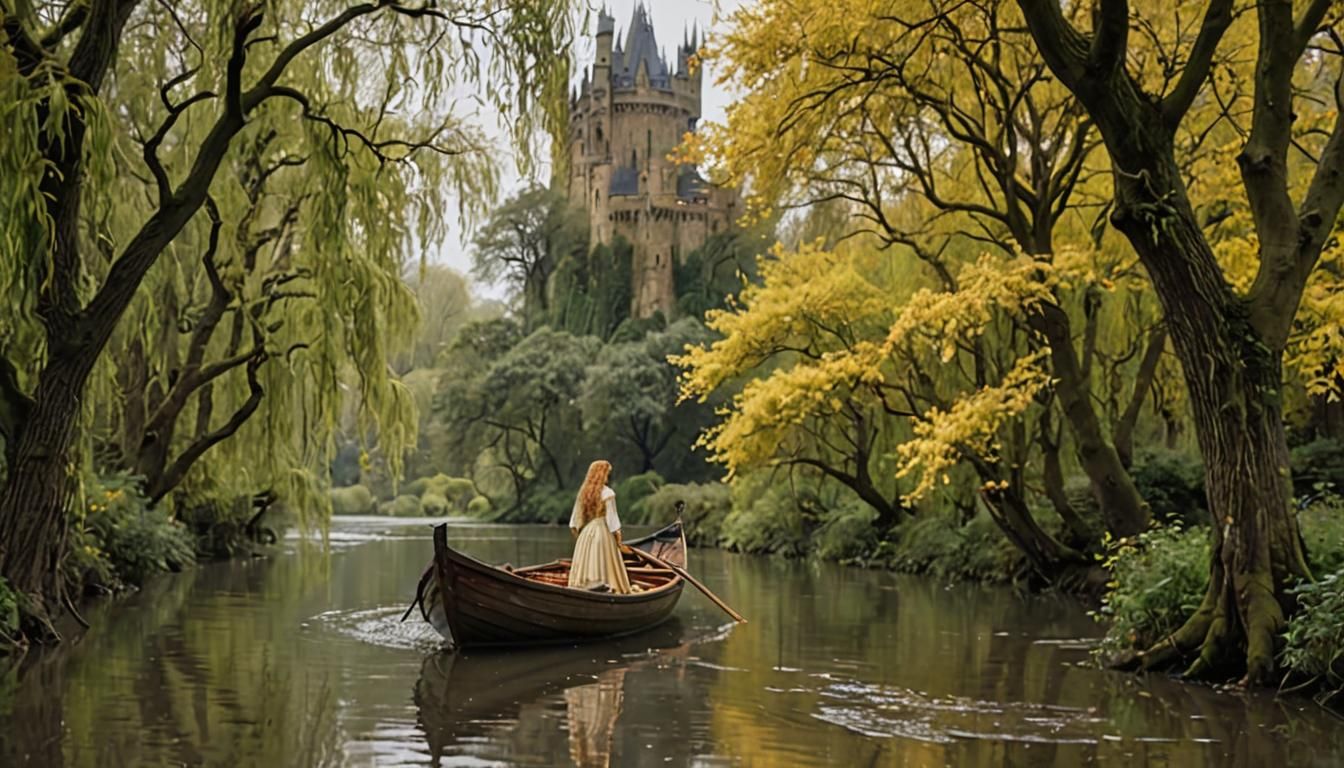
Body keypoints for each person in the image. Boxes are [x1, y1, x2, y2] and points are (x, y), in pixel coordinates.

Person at [567, 460, 632, 593]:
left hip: (586, 533)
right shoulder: (608, 493)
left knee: (586, 569)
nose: (608, 477)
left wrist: (582, 540)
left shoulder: (583, 494)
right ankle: (608, 589)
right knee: (606, 563)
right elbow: (613, 523)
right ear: (602, 475)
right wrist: (619, 543)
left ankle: (582, 591)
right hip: (602, 533)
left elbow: (573, 524)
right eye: (607, 474)